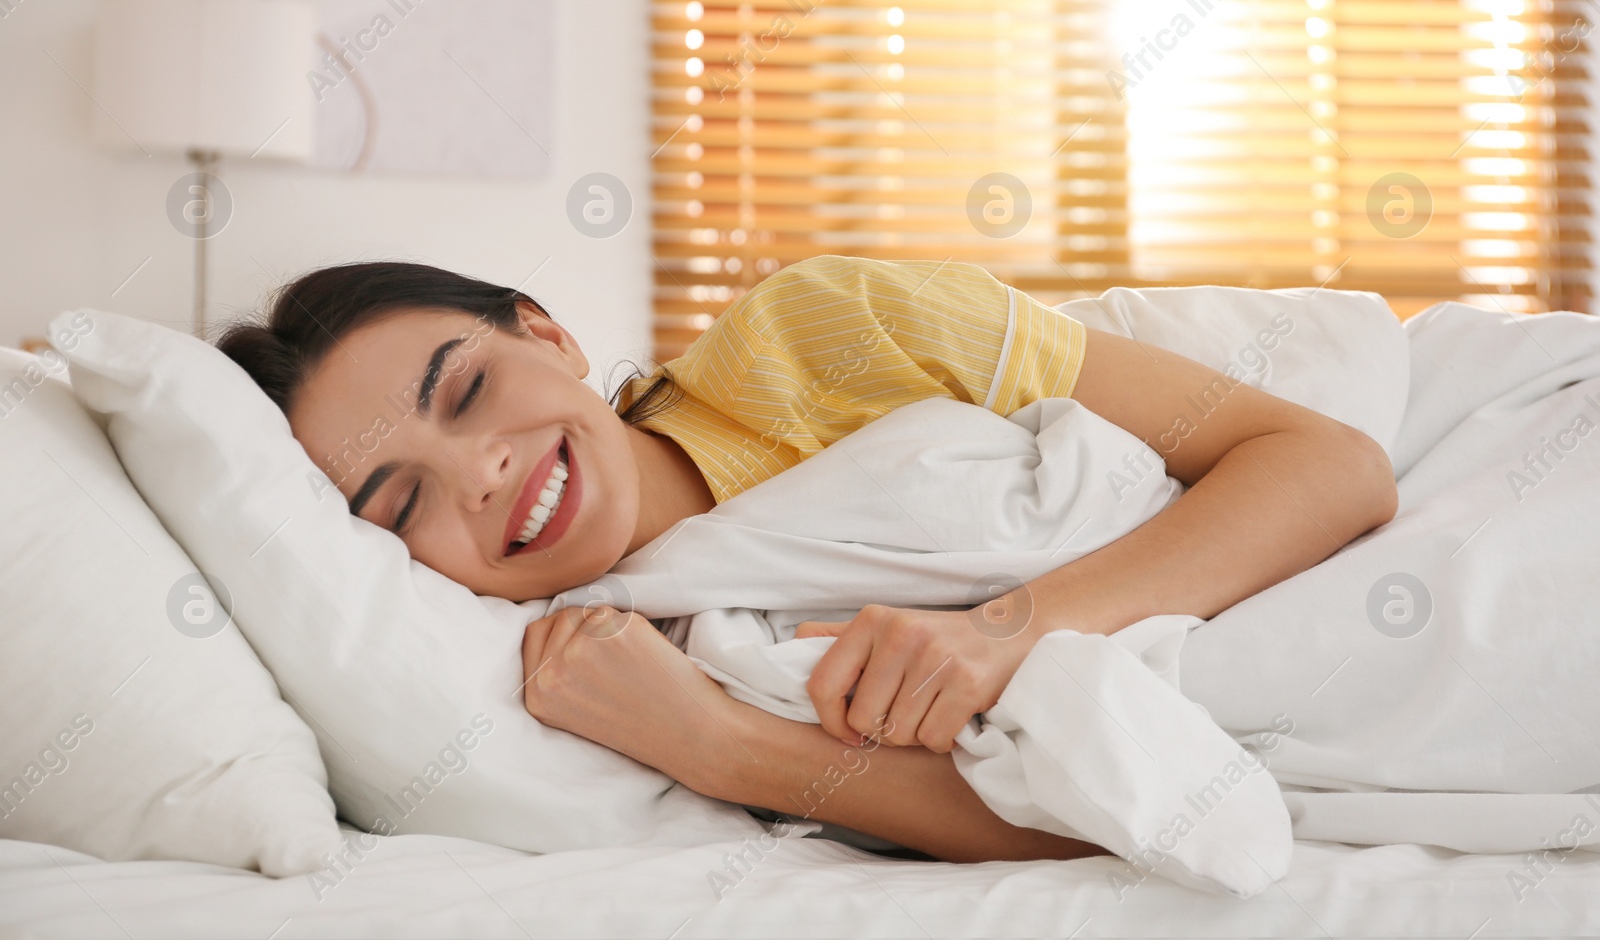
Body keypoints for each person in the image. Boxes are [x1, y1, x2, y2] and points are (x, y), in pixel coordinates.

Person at [219, 254, 1396, 863]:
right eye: (400, 499)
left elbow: (1330, 461)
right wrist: (717, 743)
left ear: (547, 331)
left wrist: (1005, 630)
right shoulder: (597, 661)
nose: (476, 472)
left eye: (468, 390)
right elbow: (1076, 824)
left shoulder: (825, 327)